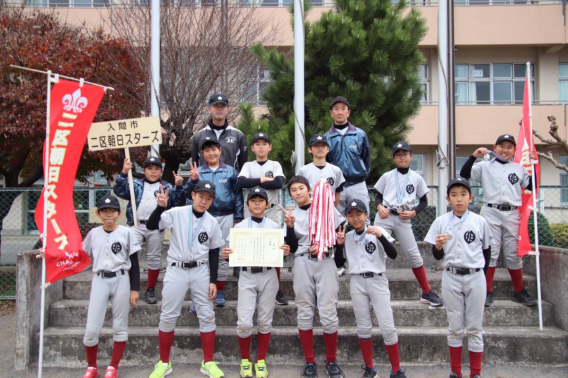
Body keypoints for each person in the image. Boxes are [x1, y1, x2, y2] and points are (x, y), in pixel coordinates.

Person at [146, 181, 226, 378]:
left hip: (200, 271)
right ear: (193, 195)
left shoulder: (211, 221)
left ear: (212, 201)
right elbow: (151, 224)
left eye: (208, 198)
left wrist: (213, 280)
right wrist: (160, 207)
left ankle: (208, 362)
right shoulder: (178, 212)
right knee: (168, 315)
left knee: (207, 315)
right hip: (176, 269)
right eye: (201, 196)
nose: (204, 201)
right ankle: (164, 363)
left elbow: (215, 252)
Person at [425, 178, 492, 378]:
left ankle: (476, 373)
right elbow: (436, 255)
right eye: (454, 195)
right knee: (454, 326)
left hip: (475, 276)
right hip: (451, 276)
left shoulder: (480, 221)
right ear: (447, 199)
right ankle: (456, 372)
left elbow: (486, 252)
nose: (459, 199)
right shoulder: (441, 222)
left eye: (463, 194)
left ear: (471, 198)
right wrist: (438, 246)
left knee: (474, 327)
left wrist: (483, 279)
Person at [460, 134, 537, 307]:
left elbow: (532, 186)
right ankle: (486, 291)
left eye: (509, 147)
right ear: (495, 148)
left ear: (514, 150)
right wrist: (473, 156)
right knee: (491, 252)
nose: (505, 150)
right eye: (502, 146)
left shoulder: (518, 168)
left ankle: (519, 291)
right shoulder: (485, 165)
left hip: (512, 213)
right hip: (491, 211)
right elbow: (464, 174)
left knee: (513, 253)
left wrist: (534, 164)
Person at [220, 188, 290, 378]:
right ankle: (244, 360)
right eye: (253, 200)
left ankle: (260, 360)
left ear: (267, 204)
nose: (257, 203)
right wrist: (227, 256)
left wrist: (285, 251)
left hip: (268, 274)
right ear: (248, 204)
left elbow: (283, 251)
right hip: (247, 274)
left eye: (261, 200)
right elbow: (230, 254)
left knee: (265, 321)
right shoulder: (240, 227)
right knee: (244, 321)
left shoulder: (275, 227)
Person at [335, 199, 407, 378]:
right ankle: (369, 368)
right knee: (363, 326)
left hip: (377, 280)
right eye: (350, 215)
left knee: (387, 326)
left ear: (366, 215)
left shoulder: (377, 231)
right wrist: (339, 245)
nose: (355, 218)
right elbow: (338, 263)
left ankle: (396, 370)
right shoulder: (348, 236)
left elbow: (393, 254)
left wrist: (381, 236)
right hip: (357, 281)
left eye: (358, 214)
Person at [284, 175, 345, 378]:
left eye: (301, 188)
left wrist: (327, 242)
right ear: (290, 194)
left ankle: (331, 360)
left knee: (328, 312)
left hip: (325, 260)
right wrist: (290, 227)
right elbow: (291, 247)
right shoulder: (291, 214)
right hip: (302, 261)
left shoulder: (325, 206)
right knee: (304, 311)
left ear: (309, 190)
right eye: (293, 190)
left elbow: (338, 235)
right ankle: (310, 361)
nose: (298, 192)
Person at [373, 141, 443, 307]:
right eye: (398, 154)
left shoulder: (416, 178)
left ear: (411, 155)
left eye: (405, 154)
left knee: (414, 255)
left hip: (404, 217)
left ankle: (426, 292)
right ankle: (374, 292)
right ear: (393, 157)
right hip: (386, 216)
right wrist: (379, 206)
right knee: (378, 253)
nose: (402, 157)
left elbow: (424, 201)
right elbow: (378, 196)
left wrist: (414, 212)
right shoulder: (387, 176)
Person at [81, 195, 141, 378]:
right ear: (98, 213)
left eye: (112, 211)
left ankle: (113, 367)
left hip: (121, 279)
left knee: (120, 326)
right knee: (92, 328)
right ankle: (92, 367)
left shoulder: (127, 232)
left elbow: (135, 262)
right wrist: (51, 254)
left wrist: (134, 289)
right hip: (100, 278)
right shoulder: (93, 234)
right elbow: (79, 256)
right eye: (104, 211)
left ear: (119, 213)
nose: (109, 214)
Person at [113, 156, 184, 305]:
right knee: (129, 254)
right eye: (150, 169)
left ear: (161, 170)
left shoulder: (167, 187)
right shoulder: (135, 185)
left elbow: (178, 203)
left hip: (156, 226)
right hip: (137, 225)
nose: (153, 172)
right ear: (143, 170)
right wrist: (124, 172)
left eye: (156, 169)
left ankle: (150, 289)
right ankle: (132, 288)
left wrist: (178, 187)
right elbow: (119, 190)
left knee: (154, 257)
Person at [185, 138, 243, 308]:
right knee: (200, 254)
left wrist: (238, 218)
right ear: (202, 154)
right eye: (207, 150)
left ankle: (219, 291)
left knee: (223, 254)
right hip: (204, 216)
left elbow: (238, 195)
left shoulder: (231, 172)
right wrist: (194, 181)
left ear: (220, 151)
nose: (211, 153)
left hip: (226, 215)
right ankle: (198, 296)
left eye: (214, 149)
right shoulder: (198, 172)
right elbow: (190, 197)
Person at [238, 131, 289, 305]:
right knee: (252, 247)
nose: (261, 146)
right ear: (252, 148)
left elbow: (279, 183)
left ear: (270, 147)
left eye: (264, 143)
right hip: (251, 210)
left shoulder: (274, 164)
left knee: (275, 250)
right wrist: (262, 179)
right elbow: (241, 183)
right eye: (257, 144)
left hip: (271, 211)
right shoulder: (248, 165)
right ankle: (251, 287)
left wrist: (255, 182)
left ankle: (277, 289)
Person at [324, 96, 371, 215]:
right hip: (336, 186)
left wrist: (363, 173)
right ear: (331, 113)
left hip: (358, 184)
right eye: (336, 109)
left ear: (348, 112)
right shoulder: (327, 138)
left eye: (343, 108)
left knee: (363, 219)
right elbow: (326, 163)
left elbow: (366, 157)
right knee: (335, 221)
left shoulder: (360, 134)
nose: (340, 112)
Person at [191, 93, 248, 172]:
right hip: (206, 183)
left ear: (227, 109)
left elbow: (243, 167)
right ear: (209, 109)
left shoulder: (238, 135)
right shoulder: (199, 136)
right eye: (216, 106)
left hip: (230, 182)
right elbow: (194, 165)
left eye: (222, 106)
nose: (219, 109)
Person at [298, 134, 345, 207]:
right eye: (316, 145)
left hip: (329, 210)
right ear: (310, 149)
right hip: (309, 210)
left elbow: (338, 193)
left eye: (323, 145)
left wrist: (331, 210)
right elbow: (299, 192)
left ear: (328, 149)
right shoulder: (303, 170)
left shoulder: (336, 170)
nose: (320, 148)